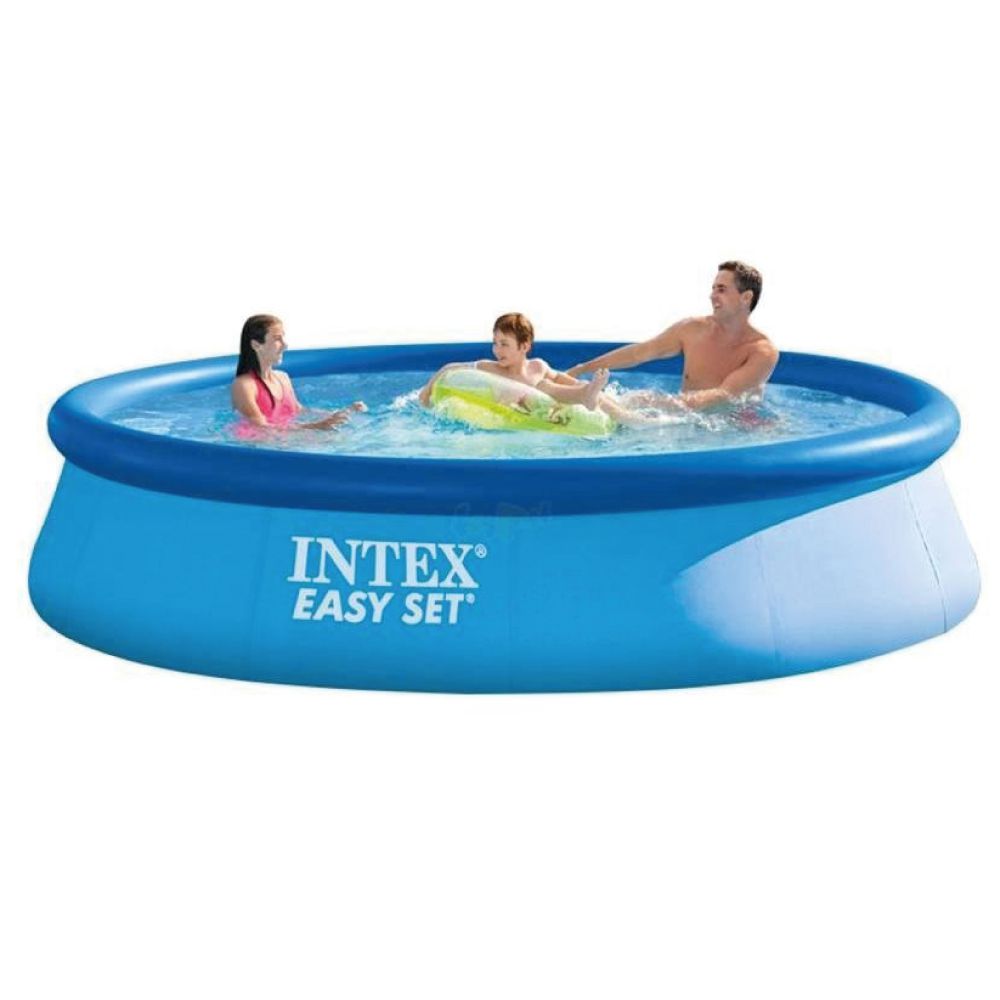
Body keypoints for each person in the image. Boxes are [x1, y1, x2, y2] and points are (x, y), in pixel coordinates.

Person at [567, 261, 779, 411]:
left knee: (631, 404)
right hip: (685, 419)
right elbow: (639, 353)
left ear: (746, 297)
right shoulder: (692, 329)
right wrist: (583, 368)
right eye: (713, 288)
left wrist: (657, 404)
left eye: (721, 289)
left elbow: (724, 395)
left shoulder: (762, 351)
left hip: (730, 430)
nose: (712, 295)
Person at [417, 312, 647, 426]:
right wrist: (427, 392)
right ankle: (586, 396)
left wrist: (587, 387)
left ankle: (628, 417)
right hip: (521, 412)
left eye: (504, 344)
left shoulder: (538, 366)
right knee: (545, 387)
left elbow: (565, 380)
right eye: (495, 343)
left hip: (555, 408)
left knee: (563, 386)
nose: (497, 350)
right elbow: (450, 368)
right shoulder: (490, 369)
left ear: (524, 346)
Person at [231, 314, 366, 430]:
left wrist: (343, 412)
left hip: (285, 438)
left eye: (283, 338)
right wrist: (316, 427)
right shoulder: (244, 385)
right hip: (260, 444)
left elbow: (298, 410)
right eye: (277, 339)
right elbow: (260, 428)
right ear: (256, 345)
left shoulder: (283, 378)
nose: (285, 345)